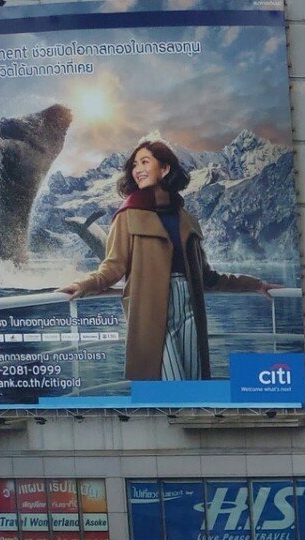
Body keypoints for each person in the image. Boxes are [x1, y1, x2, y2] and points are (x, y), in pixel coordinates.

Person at [60, 139, 273, 381]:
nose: (138, 169)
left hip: (191, 308)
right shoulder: (127, 215)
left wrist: (254, 283)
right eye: (134, 165)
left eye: (145, 162)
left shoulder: (187, 219)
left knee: (193, 381)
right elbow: (113, 266)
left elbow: (207, 276)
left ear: (165, 168)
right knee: (171, 382)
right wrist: (84, 284)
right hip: (151, 311)